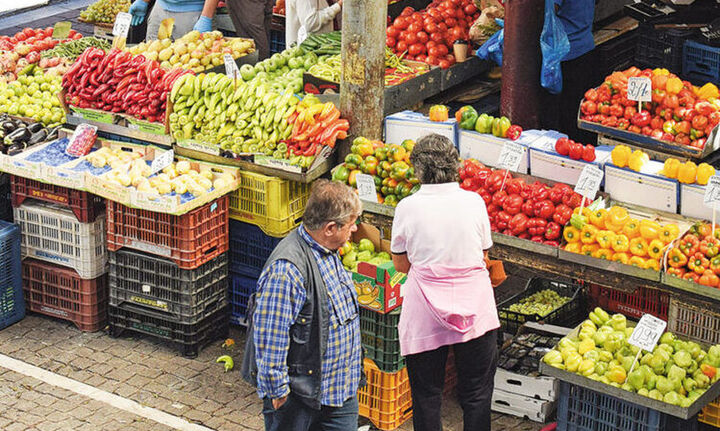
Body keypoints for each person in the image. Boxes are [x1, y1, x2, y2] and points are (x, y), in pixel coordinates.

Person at [391, 134, 500, 431]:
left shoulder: (407, 207)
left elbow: (401, 263)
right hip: (475, 308)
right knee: (477, 394)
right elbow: (484, 253)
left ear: (418, 170)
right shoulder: (474, 202)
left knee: (426, 396)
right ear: (455, 166)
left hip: (425, 309)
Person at [242, 179, 363, 431]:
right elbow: (270, 337)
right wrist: (279, 394)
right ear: (330, 227)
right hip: (302, 399)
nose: (354, 230)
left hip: (339, 394)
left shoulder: (327, 250)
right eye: (351, 224)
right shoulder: (287, 271)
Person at [542, 0, 597, 143]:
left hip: (566, 54)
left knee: (565, 117)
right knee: (581, 113)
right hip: (586, 47)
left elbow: (549, 12)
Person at [128, 0, 219, 41]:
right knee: (156, 58)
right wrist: (144, 1)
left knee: (188, 66)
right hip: (161, 12)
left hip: (193, 14)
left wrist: (206, 17)